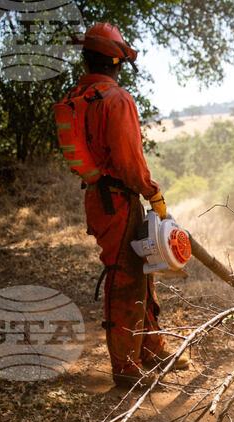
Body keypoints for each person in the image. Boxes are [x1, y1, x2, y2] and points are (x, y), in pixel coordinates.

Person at [67, 23, 187, 388]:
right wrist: (152, 191)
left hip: (104, 197)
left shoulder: (81, 98)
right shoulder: (116, 99)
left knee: (141, 273)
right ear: (116, 60)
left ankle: (150, 347)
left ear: (89, 59)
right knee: (125, 281)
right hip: (119, 197)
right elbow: (129, 161)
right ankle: (126, 367)